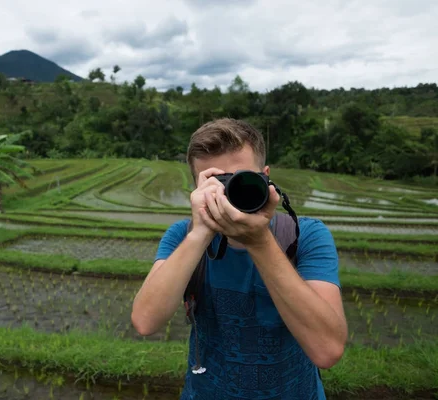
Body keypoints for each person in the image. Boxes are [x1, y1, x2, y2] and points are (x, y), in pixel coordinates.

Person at [131, 118, 347, 399]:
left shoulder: (305, 235)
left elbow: (327, 350)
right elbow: (145, 322)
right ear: (197, 188)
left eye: (242, 179)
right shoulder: (181, 237)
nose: (230, 193)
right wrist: (201, 232)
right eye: (217, 182)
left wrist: (259, 242)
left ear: (267, 179)